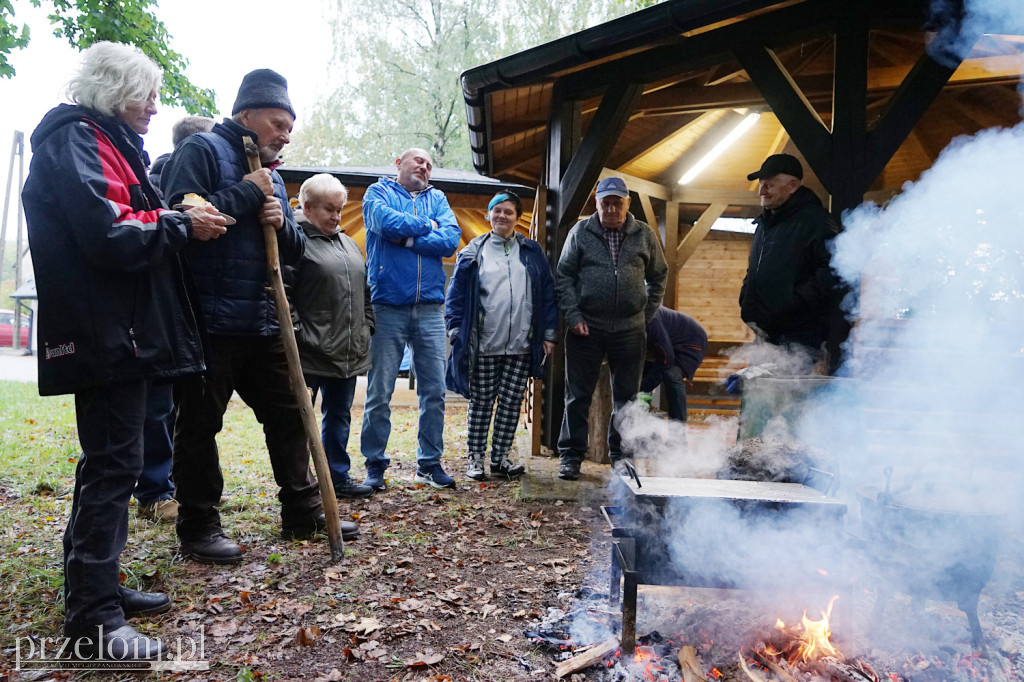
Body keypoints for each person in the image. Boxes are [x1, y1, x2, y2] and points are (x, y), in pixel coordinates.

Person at [23, 42, 227, 659]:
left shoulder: (103, 141)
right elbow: (108, 233)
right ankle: (93, 617)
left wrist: (173, 217)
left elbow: (124, 222)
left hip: (124, 331)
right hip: (106, 332)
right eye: (148, 93)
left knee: (113, 461)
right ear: (115, 89)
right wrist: (180, 224)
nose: (155, 107)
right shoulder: (75, 139)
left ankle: (97, 585)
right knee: (113, 464)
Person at [162, 69, 358, 565]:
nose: (285, 134)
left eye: (290, 126)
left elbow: (293, 250)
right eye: (277, 123)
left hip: (263, 319)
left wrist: (279, 219)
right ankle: (199, 526)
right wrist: (250, 194)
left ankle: (302, 508)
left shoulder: (272, 174)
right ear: (246, 115)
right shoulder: (202, 152)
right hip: (208, 321)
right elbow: (181, 219)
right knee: (200, 425)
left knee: (291, 413)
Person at [360, 148, 462, 490]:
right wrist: (425, 227)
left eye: (430, 165)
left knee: (434, 390)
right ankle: (375, 463)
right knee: (380, 390)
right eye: (419, 160)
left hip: (432, 307)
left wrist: (405, 238)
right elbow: (383, 222)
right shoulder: (378, 193)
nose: (425, 167)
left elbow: (449, 239)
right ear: (398, 164)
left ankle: (429, 463)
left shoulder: (439, 198)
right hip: (387, 304)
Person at [555, 176, 668, 480]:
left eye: (618, 202)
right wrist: (573, 315)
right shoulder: (581, 232)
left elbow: (660, 275)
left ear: (627, 203)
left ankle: (622, 457)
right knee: (578, 395)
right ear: (597, 203)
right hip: (585, 328)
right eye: (606, 203)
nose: (612, 209)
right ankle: (571, 456)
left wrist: (646, 313)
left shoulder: (644, 234)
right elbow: (563, 275)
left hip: (631, 330)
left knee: (627, 399)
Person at [135, 115, 216, 524]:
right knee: (157, 403)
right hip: (160, 309)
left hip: (193, 309)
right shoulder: (164, 184)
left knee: (187, 408)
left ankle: (181, 488)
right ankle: (154, 491)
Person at [445, 192, 558, 480]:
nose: (502, 216)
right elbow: (456, 293)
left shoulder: (531, 252)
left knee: (510, 402)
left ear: (517, 217)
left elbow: (547, 294)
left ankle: (500, 458)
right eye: (497, 211)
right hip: (484, 343)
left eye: (509, 212)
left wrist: (548, 333)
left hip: (521, 344)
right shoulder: (474, 250)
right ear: (489, 215)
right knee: (481, 401)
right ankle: (475, 458)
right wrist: (455, 327)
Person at [287, 173, 375, 499]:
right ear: (307, 207)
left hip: (347, 352)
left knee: (338, 417)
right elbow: (282, 292)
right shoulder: (293, 241)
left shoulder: (347, 242)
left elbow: (364, 292)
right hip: (309, 353)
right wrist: (298, 334)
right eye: (329, 210)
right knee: (299, 424)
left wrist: (368, 327)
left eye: (340, 210)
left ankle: (337, 476)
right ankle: (303, 484)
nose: (337, 217)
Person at [739, 154, 846, 372]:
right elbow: (755, 270)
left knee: (790, 401)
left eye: (769, 185)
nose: (761, 191)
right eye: (760, 184)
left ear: (793, 185)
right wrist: (746, 298)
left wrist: (791, 303)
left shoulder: (816, 222)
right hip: (766, 333)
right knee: (760, 398)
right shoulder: (764, 225)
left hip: (800, 336)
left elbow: (832, 272)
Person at [641, 307, 708, 423]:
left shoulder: (651, 321)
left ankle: (678, 429)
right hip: (666, 342)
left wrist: (644, 386)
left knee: (672, 374)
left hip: (690, 342)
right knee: (644, 375)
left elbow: (667, 359)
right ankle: (642, 414)